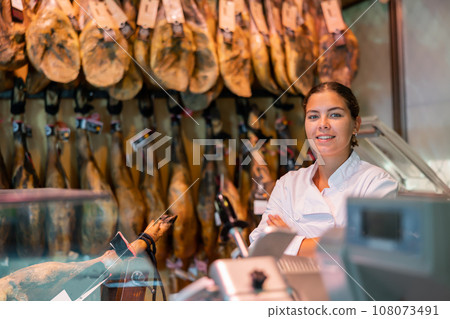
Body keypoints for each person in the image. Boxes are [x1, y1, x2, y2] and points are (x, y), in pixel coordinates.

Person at [249, 82, 398, 257]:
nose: (323, 124)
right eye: (313, 116)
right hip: (292, 284)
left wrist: (289, 242)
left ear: (356, 125)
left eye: (335, 115)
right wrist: (340, 240)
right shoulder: (288, 184)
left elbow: (365, 245)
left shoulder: (376, 182)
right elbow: (259, 245)